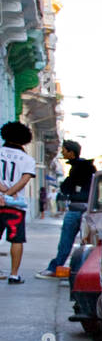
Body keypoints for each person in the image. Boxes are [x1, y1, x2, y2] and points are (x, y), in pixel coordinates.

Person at [36, 140, 95, 280]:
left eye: (64, 150)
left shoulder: (79, 167)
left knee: (67, 241)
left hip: (77, 208)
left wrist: (68, 188)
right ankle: (80, 270)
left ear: (71, 152)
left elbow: (69, 187)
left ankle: (55, 269)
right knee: (85, 242)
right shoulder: (84, 166)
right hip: (86, 208)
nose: (62, 153)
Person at [0, 121, 35, 284]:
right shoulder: (27, 159)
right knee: (16, 240)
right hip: (15, 206)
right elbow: (25, 179)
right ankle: (14, 275)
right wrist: (10, 194)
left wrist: (2, 192)